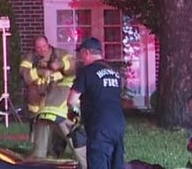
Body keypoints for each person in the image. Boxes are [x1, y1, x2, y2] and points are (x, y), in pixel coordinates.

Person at [20, 36, 86, 167]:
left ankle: (55, 155)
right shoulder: (29, 58)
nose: (42, 50)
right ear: (34, 48)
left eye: (44, 47)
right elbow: (25, 75)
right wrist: (40, 72)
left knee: (62, 133)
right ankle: (44, 158)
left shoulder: (60, 54)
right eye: (38, 48)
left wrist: (60, 65)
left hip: (59, 103)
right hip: (38, 105)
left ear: (48, 44)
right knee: (43, 136)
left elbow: (72, 66)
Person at [67, 37, 125, 169]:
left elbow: (71, 100)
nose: (81, 58)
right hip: (118, 124)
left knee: (98, 163)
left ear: (86, 53)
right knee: (116, 163)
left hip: (99, 125)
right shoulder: (114, 72)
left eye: (81, 54)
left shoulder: (86, 72)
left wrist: (75, 116)